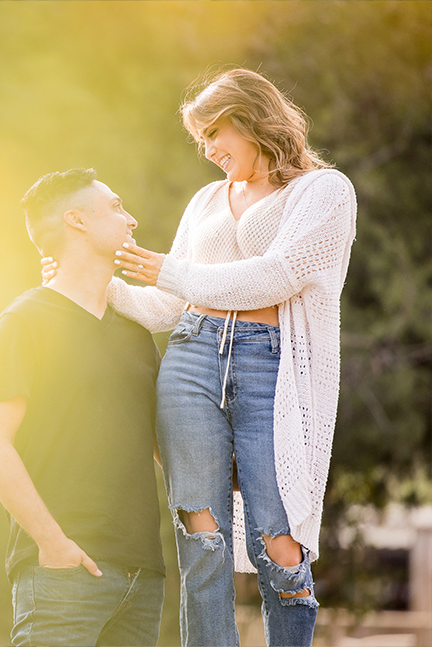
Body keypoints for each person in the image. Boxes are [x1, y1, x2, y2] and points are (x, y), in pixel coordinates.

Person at [43, 68, 357, 646]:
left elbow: (280, 276)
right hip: (191, 359)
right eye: (201, 140)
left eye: (215, 132)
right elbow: (167, 307)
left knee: (278, 541)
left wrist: (169, 269)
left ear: (254, 118)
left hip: (273, 368)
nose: (209, 150)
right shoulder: (207, 200)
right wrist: (93, 283)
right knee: (200, 535)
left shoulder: (324, 191)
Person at [0, 168, 166, 647]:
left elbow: (163, 446)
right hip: (64, 573)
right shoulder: (23, 322)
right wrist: (52, 543)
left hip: (143, 575)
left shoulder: (136, 336)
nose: (132, 219)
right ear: (76, 221)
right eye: (117, 207)